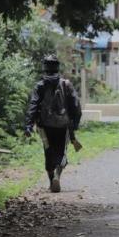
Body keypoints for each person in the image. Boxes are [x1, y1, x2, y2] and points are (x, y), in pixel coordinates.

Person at [25, 55, 82, 193]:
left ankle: (51, 181)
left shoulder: (40, 86)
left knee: (48, 151)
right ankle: (57, 174)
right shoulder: (66, 84)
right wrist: (75, 123)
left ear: (45, 67)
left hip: (45, 126)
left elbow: (33, 105)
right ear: (57, 67)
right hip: (63, 125)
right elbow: (76, 105)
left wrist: (28, 124)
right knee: (61, 151)